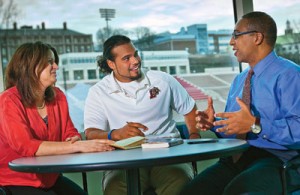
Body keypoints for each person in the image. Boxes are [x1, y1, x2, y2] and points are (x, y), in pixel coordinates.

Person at [180, 11, 300, 195]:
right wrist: (214, 125)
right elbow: (237, 129)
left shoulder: (290, 75)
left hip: (277, 159)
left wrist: (255, 124)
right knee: (190, 191)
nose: (231, 42)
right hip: (235, 158)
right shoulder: (239, 80)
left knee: (237, 191)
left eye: (236, 35)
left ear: (257, 38)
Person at [84, 35, 199, 195]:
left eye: (135, 54)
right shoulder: (98, 92)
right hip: (123, 159)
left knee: (180, 182)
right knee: (115, 188)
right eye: (126, 58)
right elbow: (91, 133)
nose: (135, 60)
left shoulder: (163, 80)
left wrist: (194, 135)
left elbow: (190, 109)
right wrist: (115, 134)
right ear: (111, 64)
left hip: (168, 156)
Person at [0, 41, 115, 195]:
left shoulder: (58, 96)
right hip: (15, 181)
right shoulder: (8, 100)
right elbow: (26, 146)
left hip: (50, 179)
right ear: (30, 67)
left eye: (54, 62)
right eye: (49, 62)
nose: (56, 66)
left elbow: (70, 131)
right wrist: (76, 147)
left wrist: (72, 139)